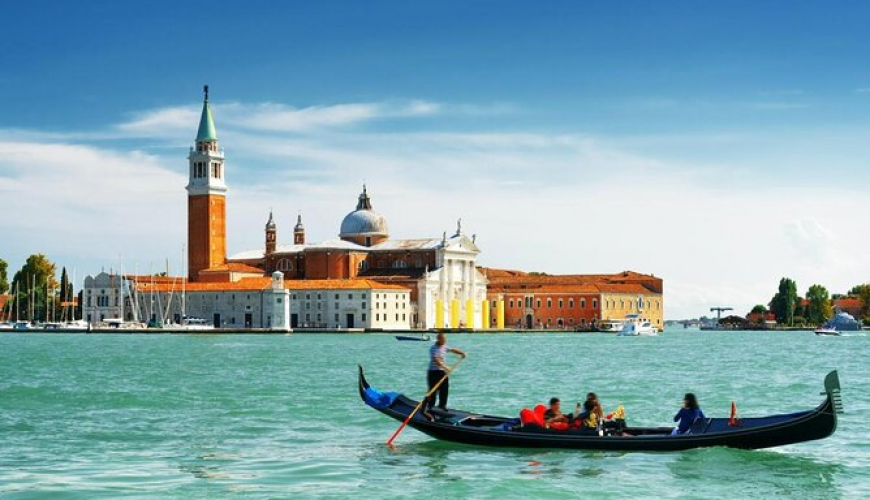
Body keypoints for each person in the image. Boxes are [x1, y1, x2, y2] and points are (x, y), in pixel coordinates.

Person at [423, 333, 466, 420]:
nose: (445, 341)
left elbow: (452, 350)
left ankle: (442, 406)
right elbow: (436, 359)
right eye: (443, 339)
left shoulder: (444, 346)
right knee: (433, 391)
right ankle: (429, 407)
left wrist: (461, 353)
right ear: (439, 339)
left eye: (445, 339)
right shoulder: (433, 348)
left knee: (445, 388)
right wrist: (446, 367)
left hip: (442, 372)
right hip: (433, 372)